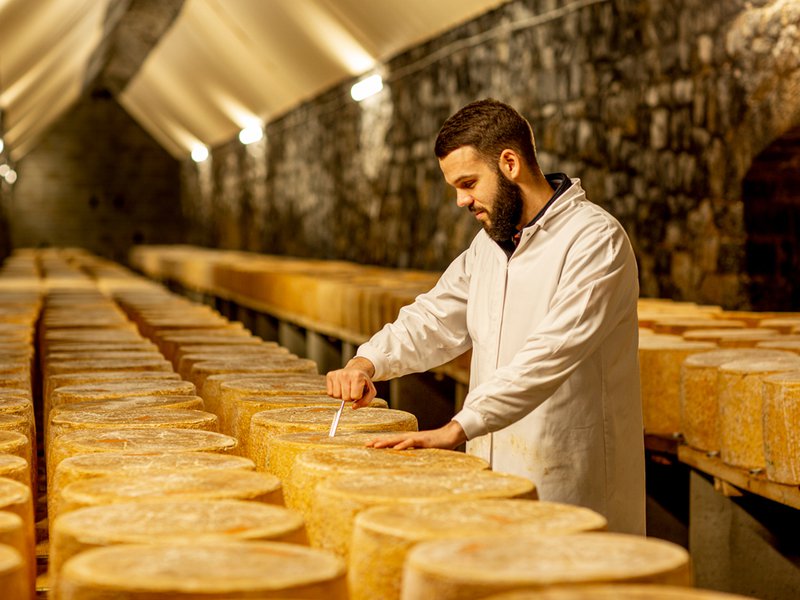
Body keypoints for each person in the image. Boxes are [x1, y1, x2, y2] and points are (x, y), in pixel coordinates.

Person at [326, 98, 645, 535]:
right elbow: (435, 317)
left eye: (468, 182)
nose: (461, 200)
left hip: (564, 477)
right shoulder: (490, 246)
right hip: (490, 476)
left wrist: (458, 427)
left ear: (509, 163)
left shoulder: (594, 240)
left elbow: (550, 352)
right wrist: (368, 361)